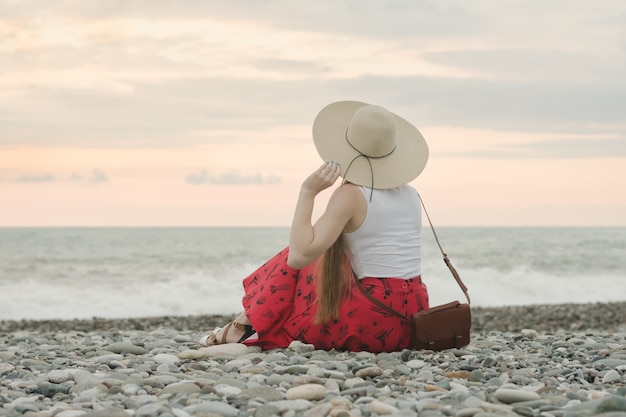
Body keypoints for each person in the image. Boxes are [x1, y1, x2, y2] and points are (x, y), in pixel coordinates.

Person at [199, 100, 430, 352]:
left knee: (300, 253)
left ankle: (243, 325)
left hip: (374, 325)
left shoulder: (351, 195)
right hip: (413, 320)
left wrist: (307, 192)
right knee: (322, 252)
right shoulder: (411, 193)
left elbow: (298, 256)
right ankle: (244, 324)